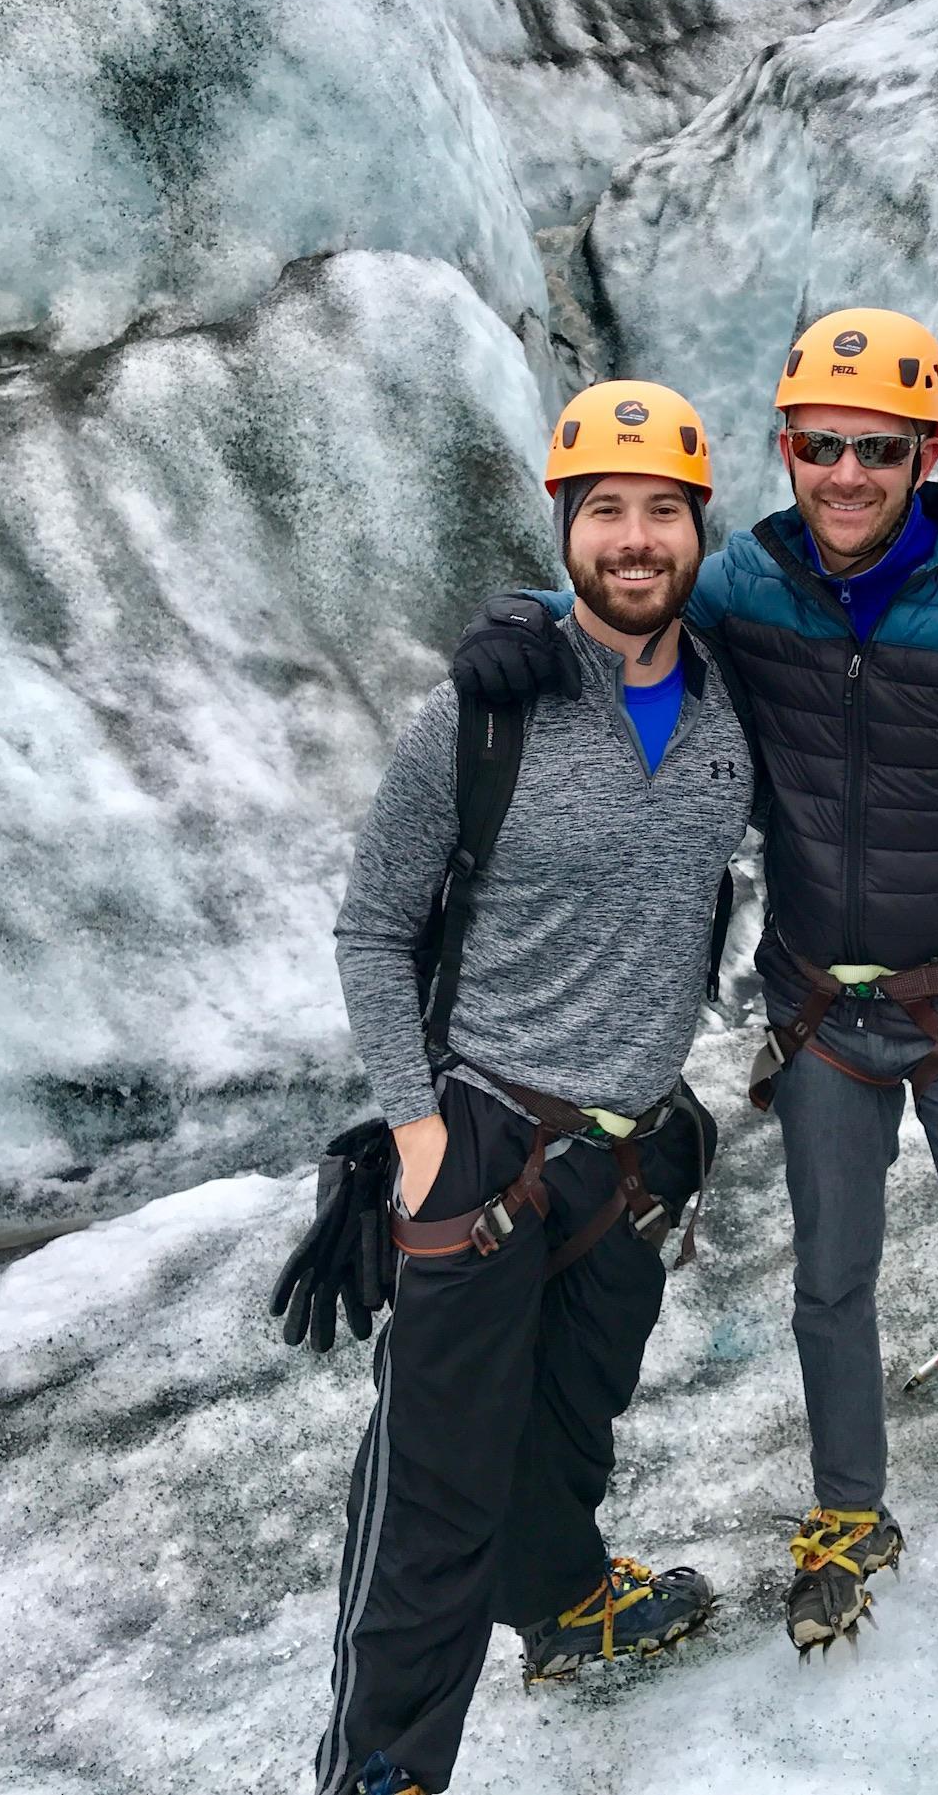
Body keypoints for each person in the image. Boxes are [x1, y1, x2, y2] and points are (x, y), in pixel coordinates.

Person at [450, 311, 938, 1795]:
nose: (847, 472)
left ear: (928, 450)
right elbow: (627, 612)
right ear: (783, 449)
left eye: (876, 445)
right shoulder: (740, 587)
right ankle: (847, 1512)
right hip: (817, 1013)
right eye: (818, 444)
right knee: (828, 1283)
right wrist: (534, 624)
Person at [314, 381, 757, 1795]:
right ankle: (382, 1770)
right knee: (431, 1496)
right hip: (486, 1140)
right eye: (605, 511)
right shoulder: (481, 712)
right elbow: (374, 925)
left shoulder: (736, 702)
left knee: (566, 1426)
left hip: (630, 1151)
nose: (635, 539)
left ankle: (564, 1605)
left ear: (700, 530)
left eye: (662, 512)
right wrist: (418, 1124)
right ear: (565, 527)